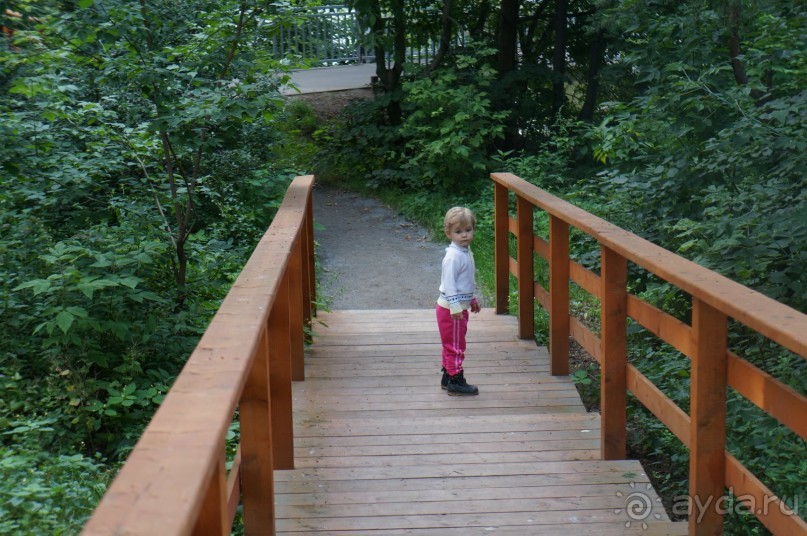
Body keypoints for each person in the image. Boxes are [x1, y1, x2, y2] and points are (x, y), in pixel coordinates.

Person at [436, 206, 481, 396]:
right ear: (449, 233)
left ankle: (448, 377)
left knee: (452, 343)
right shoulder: (453, 256)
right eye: (458, 231)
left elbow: (464, 282)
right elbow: (449, 284)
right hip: (451, 310)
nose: (464, 235)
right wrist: (455, 306)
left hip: (457, 307)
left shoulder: (465, 251)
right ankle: (456, 380)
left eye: (468, 230)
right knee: (455, 346)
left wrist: (471, 299)